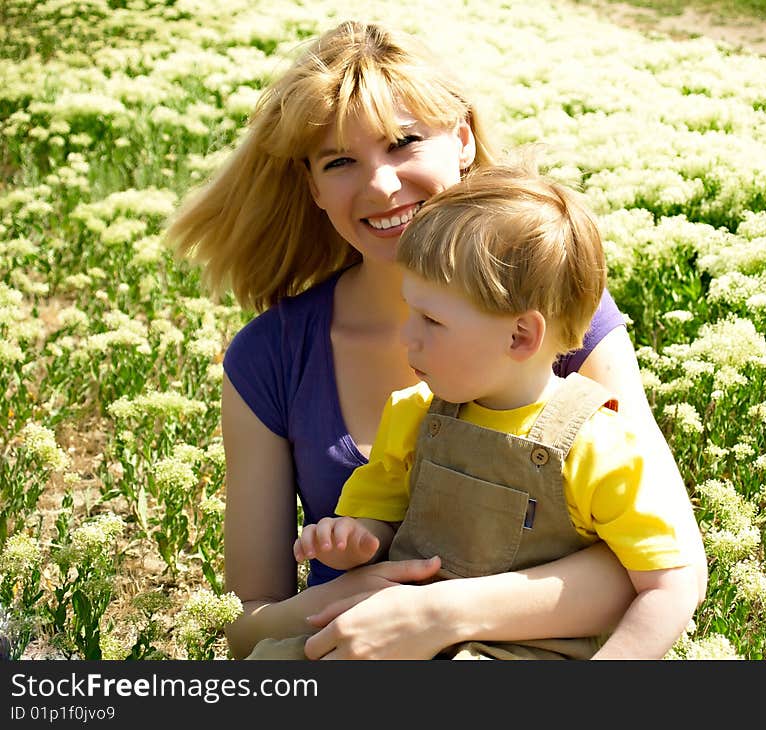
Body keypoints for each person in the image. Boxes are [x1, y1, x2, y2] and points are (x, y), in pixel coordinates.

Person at [166, 19, 706, 660]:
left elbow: (671, 565)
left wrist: (436, 612)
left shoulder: (550, 317)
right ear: (312, 186)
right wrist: (339, 601)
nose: (381, 186)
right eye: (340, 161)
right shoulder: (269, 358)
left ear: (464, 141)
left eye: (404, 143)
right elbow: (247, 622)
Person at [288, 165, 701, 659]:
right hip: (396, 636)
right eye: (410, 310)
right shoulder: (414, 415)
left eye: (431, 320)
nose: (407, 337)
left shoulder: (598, 444)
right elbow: (382, 511)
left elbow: (669, 584)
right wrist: (357, 536)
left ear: (520, 336)